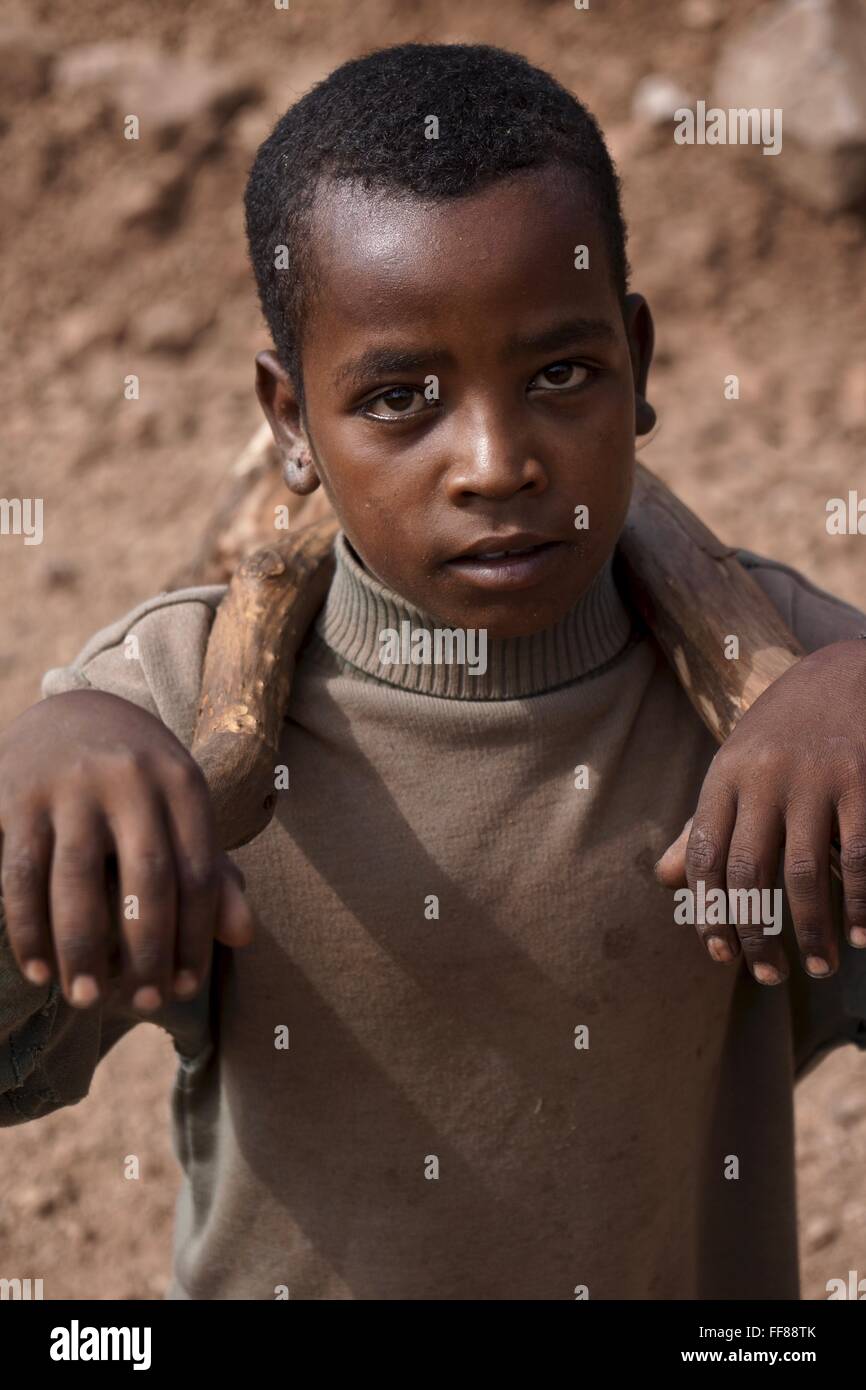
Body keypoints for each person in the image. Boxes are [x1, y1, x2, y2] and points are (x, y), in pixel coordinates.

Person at [1, 43, 865, 1300]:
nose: (493, 461)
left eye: (560, 374)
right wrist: (33, 785)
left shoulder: (785, 699)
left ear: (637, 363)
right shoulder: (170, 717)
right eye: (401, 396)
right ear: (289, 421)